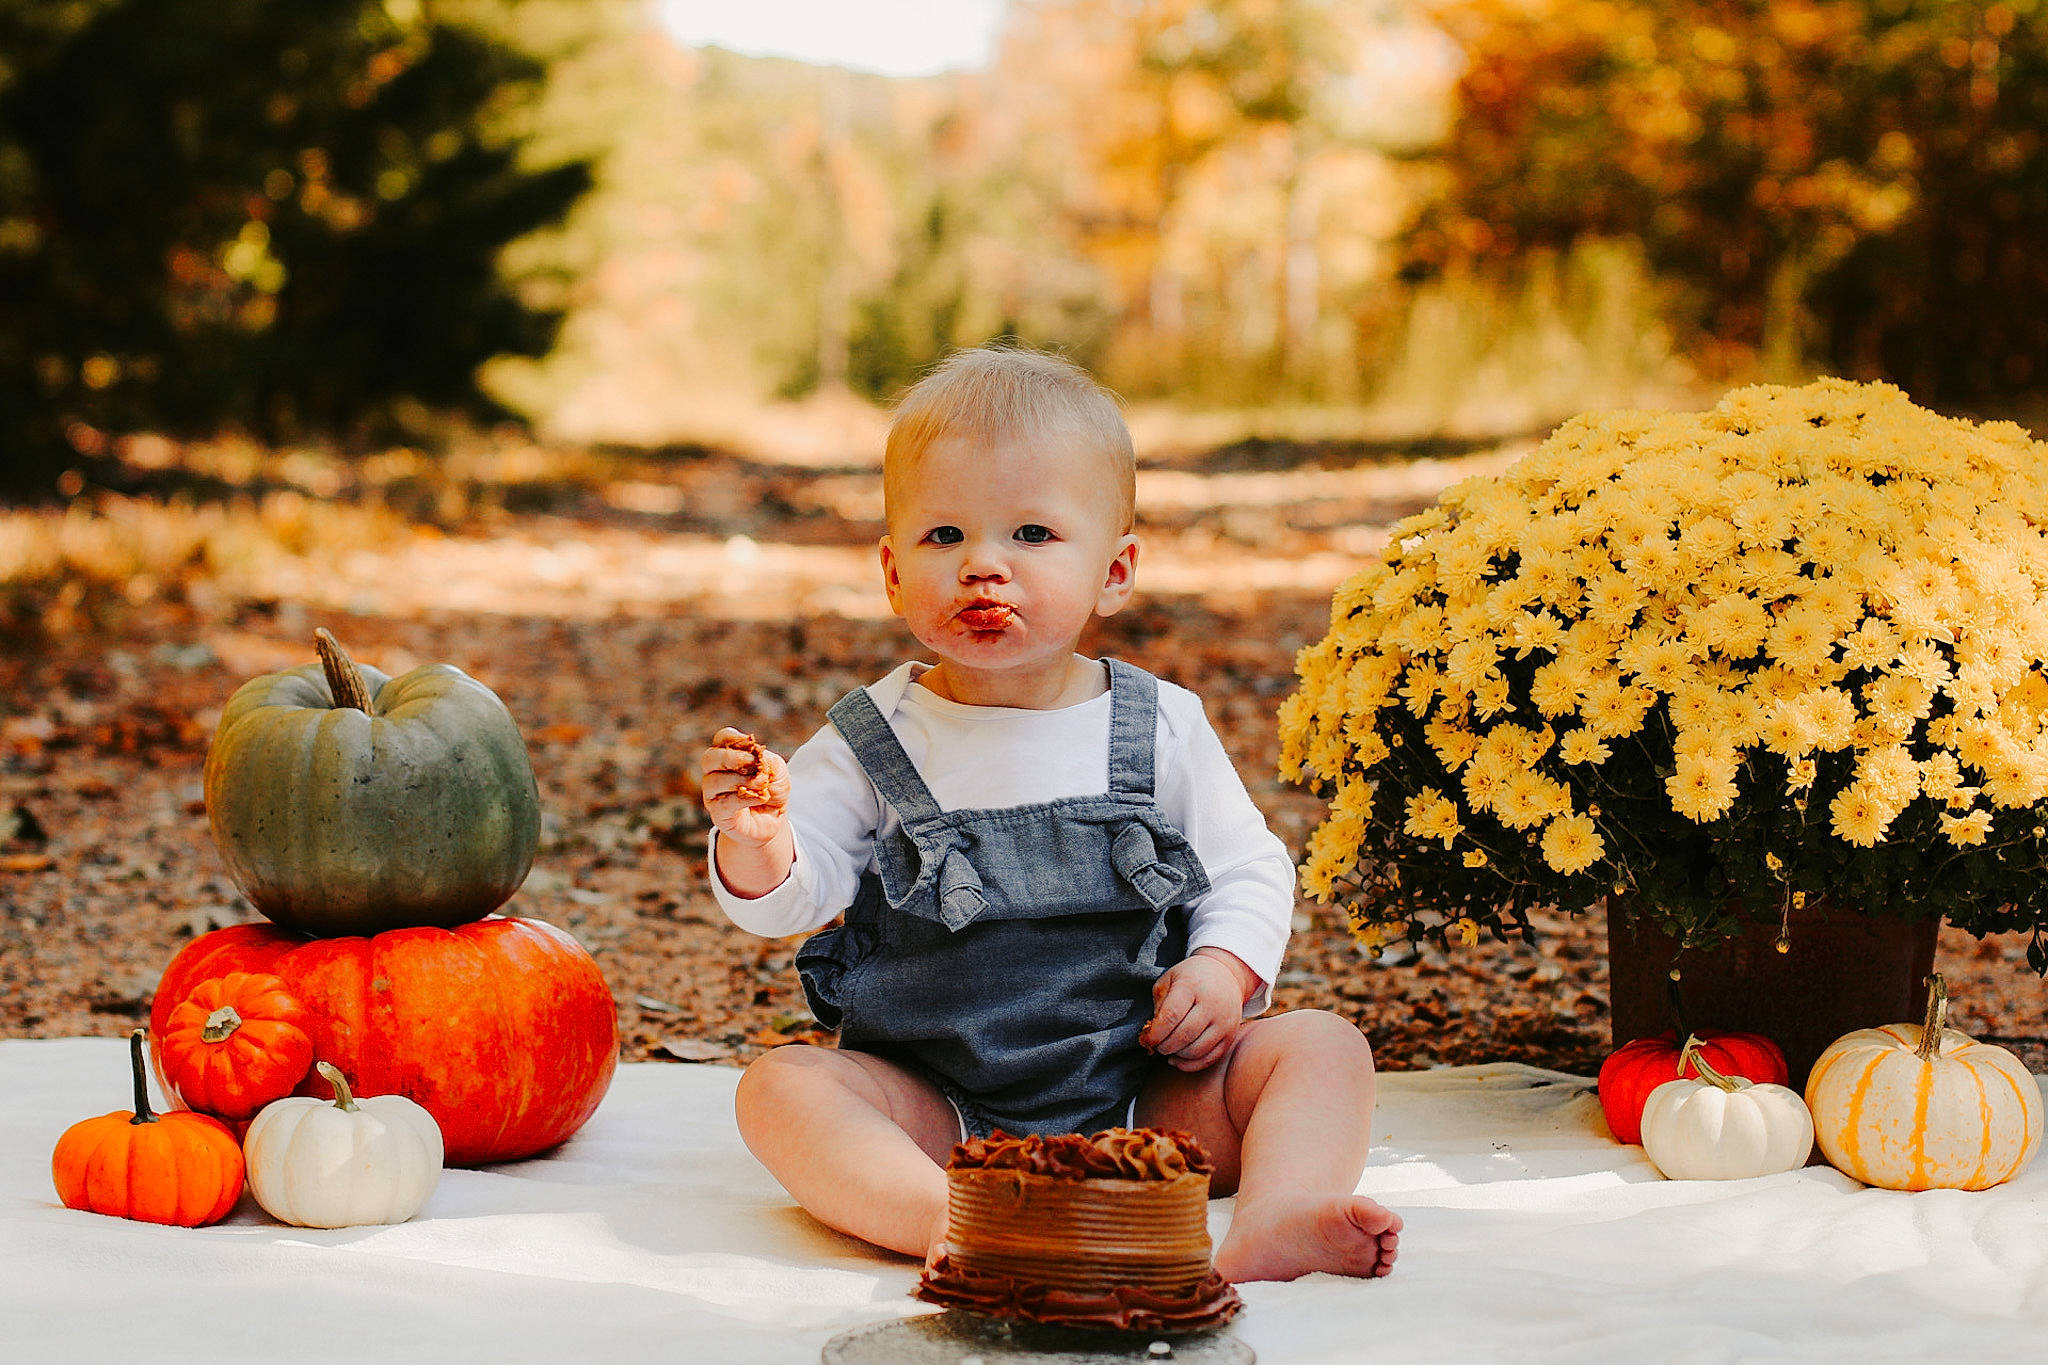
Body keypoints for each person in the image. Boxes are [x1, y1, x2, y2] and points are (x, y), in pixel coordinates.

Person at [698, 344, 1400, 1283]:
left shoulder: (1157, 726)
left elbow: (1248, 868)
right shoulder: (877, 735)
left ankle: (1281, 1214)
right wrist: (759, 842)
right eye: (944, 536)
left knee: (1322, 1046)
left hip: (1146, 1099)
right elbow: (795, 895)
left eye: (1032, 534)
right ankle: (953, 1221)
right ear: (892, 570)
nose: (984, 565)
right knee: (781, 1089)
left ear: (1115, 571)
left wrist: (1225, 972)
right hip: (934, 1106)